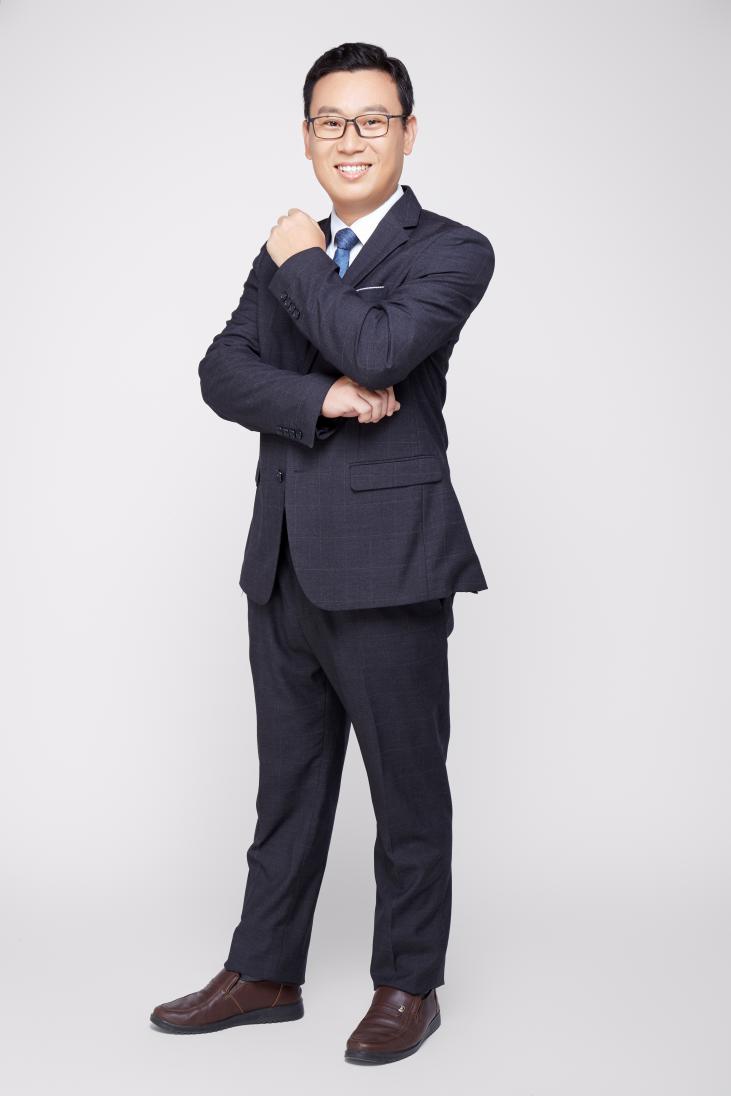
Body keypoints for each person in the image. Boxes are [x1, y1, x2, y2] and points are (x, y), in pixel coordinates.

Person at [150, 40, 495, 1065]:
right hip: (283, 561)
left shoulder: (449, 250)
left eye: (371, 120)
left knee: (405, 788)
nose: (350, 139)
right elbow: (221, 371)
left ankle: (407, 983)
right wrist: (324, 397)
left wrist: (303, 261)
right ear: (306, 136)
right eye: (330, 121)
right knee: (287, 788)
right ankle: (264, 970)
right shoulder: (289, 248)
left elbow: (380, 348)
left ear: (407, 132)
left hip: (388, 563)